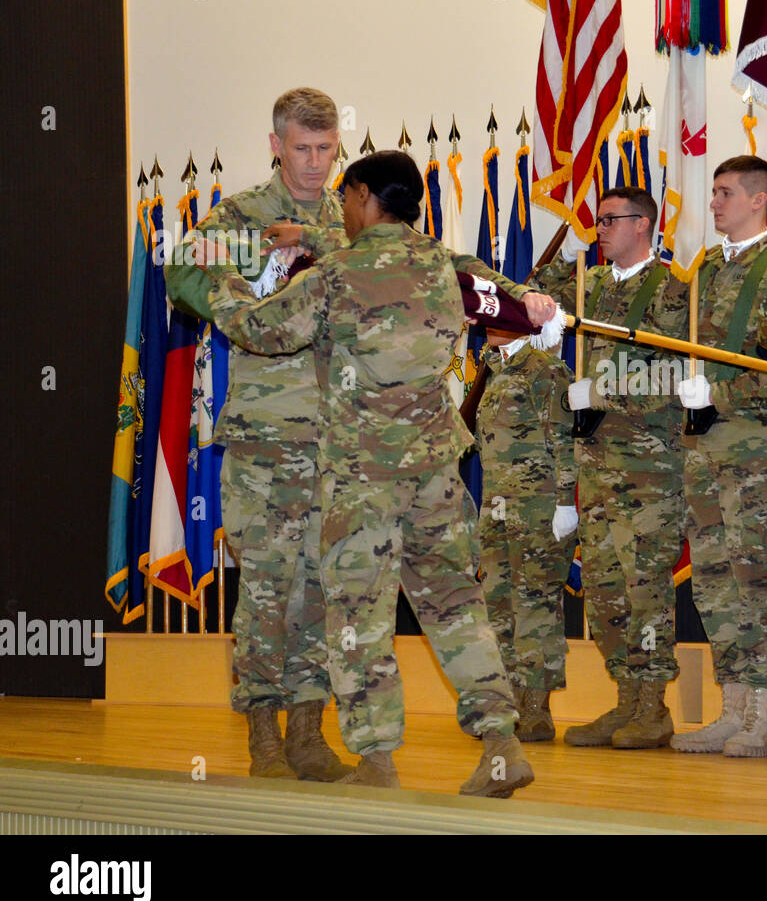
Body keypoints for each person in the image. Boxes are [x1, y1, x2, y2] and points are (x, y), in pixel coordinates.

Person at [198, 150, 537, 798]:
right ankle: (501, 740)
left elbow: (265, 331)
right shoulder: (445, 263)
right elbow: (513, 302)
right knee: (457, 605)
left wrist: (222, 291)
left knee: (359, 613)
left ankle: (377, 759)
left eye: (347, 197)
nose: (343, 209)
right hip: (438, 470)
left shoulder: (338, 273)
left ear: (361, 197)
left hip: (364, 479)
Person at [165, 87, 350, 782]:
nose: (314, 162)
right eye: (302, 148)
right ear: (276, 145)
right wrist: (241, 296)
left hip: (335, 439)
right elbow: (182, 268)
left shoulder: (345, 217)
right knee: (269, 590)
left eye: (326, 148)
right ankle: (264, 736)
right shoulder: (244, 216)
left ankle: (310, 732)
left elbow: (392, 263)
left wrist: (316, 242)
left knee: (323, 591)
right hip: (266, 438)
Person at [533, 187, 689, 749]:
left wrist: (599, 391)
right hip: (595, 465)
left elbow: (678, 376)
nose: (599, 229)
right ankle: (626, 698)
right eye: (596, 221)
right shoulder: (589, 283)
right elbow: (525, 292)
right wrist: (563, 251)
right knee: (604, 590)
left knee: (644, 587)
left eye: (609, 220)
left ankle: (654, 707)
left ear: (643, 224)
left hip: (649, 468)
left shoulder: (675, 289)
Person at [671, 156, 767, 758]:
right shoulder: (705, 270)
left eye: (725, 193)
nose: (715, 202)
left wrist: (718, 393)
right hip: (702, 449)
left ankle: (763, 716)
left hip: (757, 447)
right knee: (715, 581)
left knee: (753, 576)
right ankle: (731, 707)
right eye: (714, 192)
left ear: (759, 200)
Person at [476, 324, 578, 742]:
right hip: (497, 508)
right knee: (498, 607)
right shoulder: (496, 369)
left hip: (538, 509)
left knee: (534, 606)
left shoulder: (545, 370)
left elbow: (565, 439)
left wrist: (567, 500)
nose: (485, 322)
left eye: (495, 315)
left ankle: (536, 709)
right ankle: (507, 703)